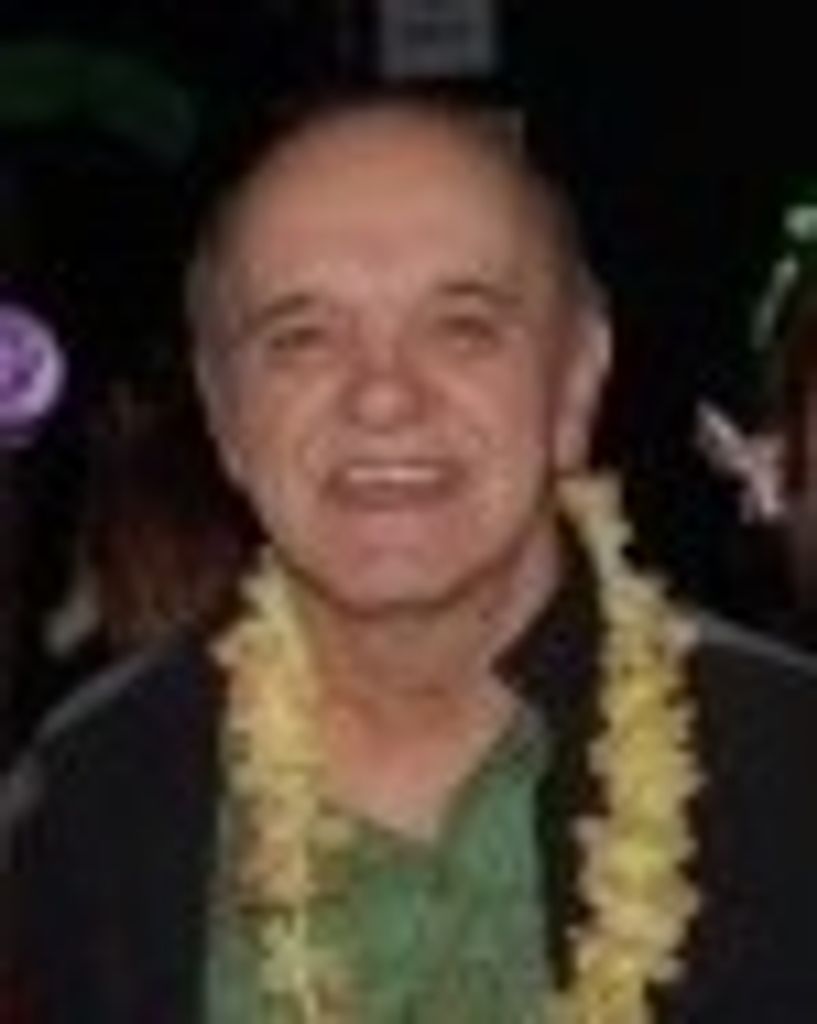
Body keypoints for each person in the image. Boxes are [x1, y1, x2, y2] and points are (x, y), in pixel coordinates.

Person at [9, 90, 817, 1023]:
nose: (382, 396)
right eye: (302, 339)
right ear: (225, 413)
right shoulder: (89, 793)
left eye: (461, 327)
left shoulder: (786, 764)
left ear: (575, 382)